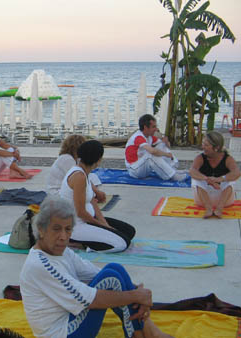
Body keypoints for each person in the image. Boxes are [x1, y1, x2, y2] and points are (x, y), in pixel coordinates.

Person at [20, 196, 173, 338]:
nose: (63, 237)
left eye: (68, 229)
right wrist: (137, 296)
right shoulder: (41, 264)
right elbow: (92, 300)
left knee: (114, 269)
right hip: (62, 332)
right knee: (111, 279)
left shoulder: (61, 251)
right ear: (41, 229)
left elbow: (95, 273)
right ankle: (140, 332)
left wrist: (136, 292)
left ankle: (145, 329)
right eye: (56, 229)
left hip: (71, 319)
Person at [60, 140, 135, 252]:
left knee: (129, 231)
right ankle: (81, 244)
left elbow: (92, 201)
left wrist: (103, 223)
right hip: (76, 226)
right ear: (98, 160)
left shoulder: (84, 172)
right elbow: (80, 212)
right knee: (122, 244)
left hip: (89, 220)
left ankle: (94, 237)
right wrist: (102, 226)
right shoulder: (79, 177)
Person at [189, 131, 241, 218]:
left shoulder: (227, 159)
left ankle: (219, 209)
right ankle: (208, 209)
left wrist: (220, 179)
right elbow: (192, 171)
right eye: (203, 144)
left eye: (206, 145)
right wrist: (207, 179)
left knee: (231, 181)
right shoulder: (200, 158)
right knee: (196, 179)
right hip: (203, 199)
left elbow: (237, 173)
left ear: (216, 147)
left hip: (225, 200)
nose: (203, 147)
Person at [125, 114, 186, 181]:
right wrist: (167, 155)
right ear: (145, 127)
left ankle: (172, 169)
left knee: (161, 145)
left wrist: (166, 142)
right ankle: (172, 175)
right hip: (134, 169)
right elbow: (152, 151)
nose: (156, 129)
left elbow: (167, 145)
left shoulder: (149, 137)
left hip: (142, 167)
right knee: (151, 155)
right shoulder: (138, 137)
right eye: (153, 127)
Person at [47, 134, 105, 202]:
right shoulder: (67, 159)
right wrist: (97, 192)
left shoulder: (70, 158)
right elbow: (79, 178)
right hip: (56, 193)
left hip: (62, 188)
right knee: (88, 185)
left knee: (93, 177)